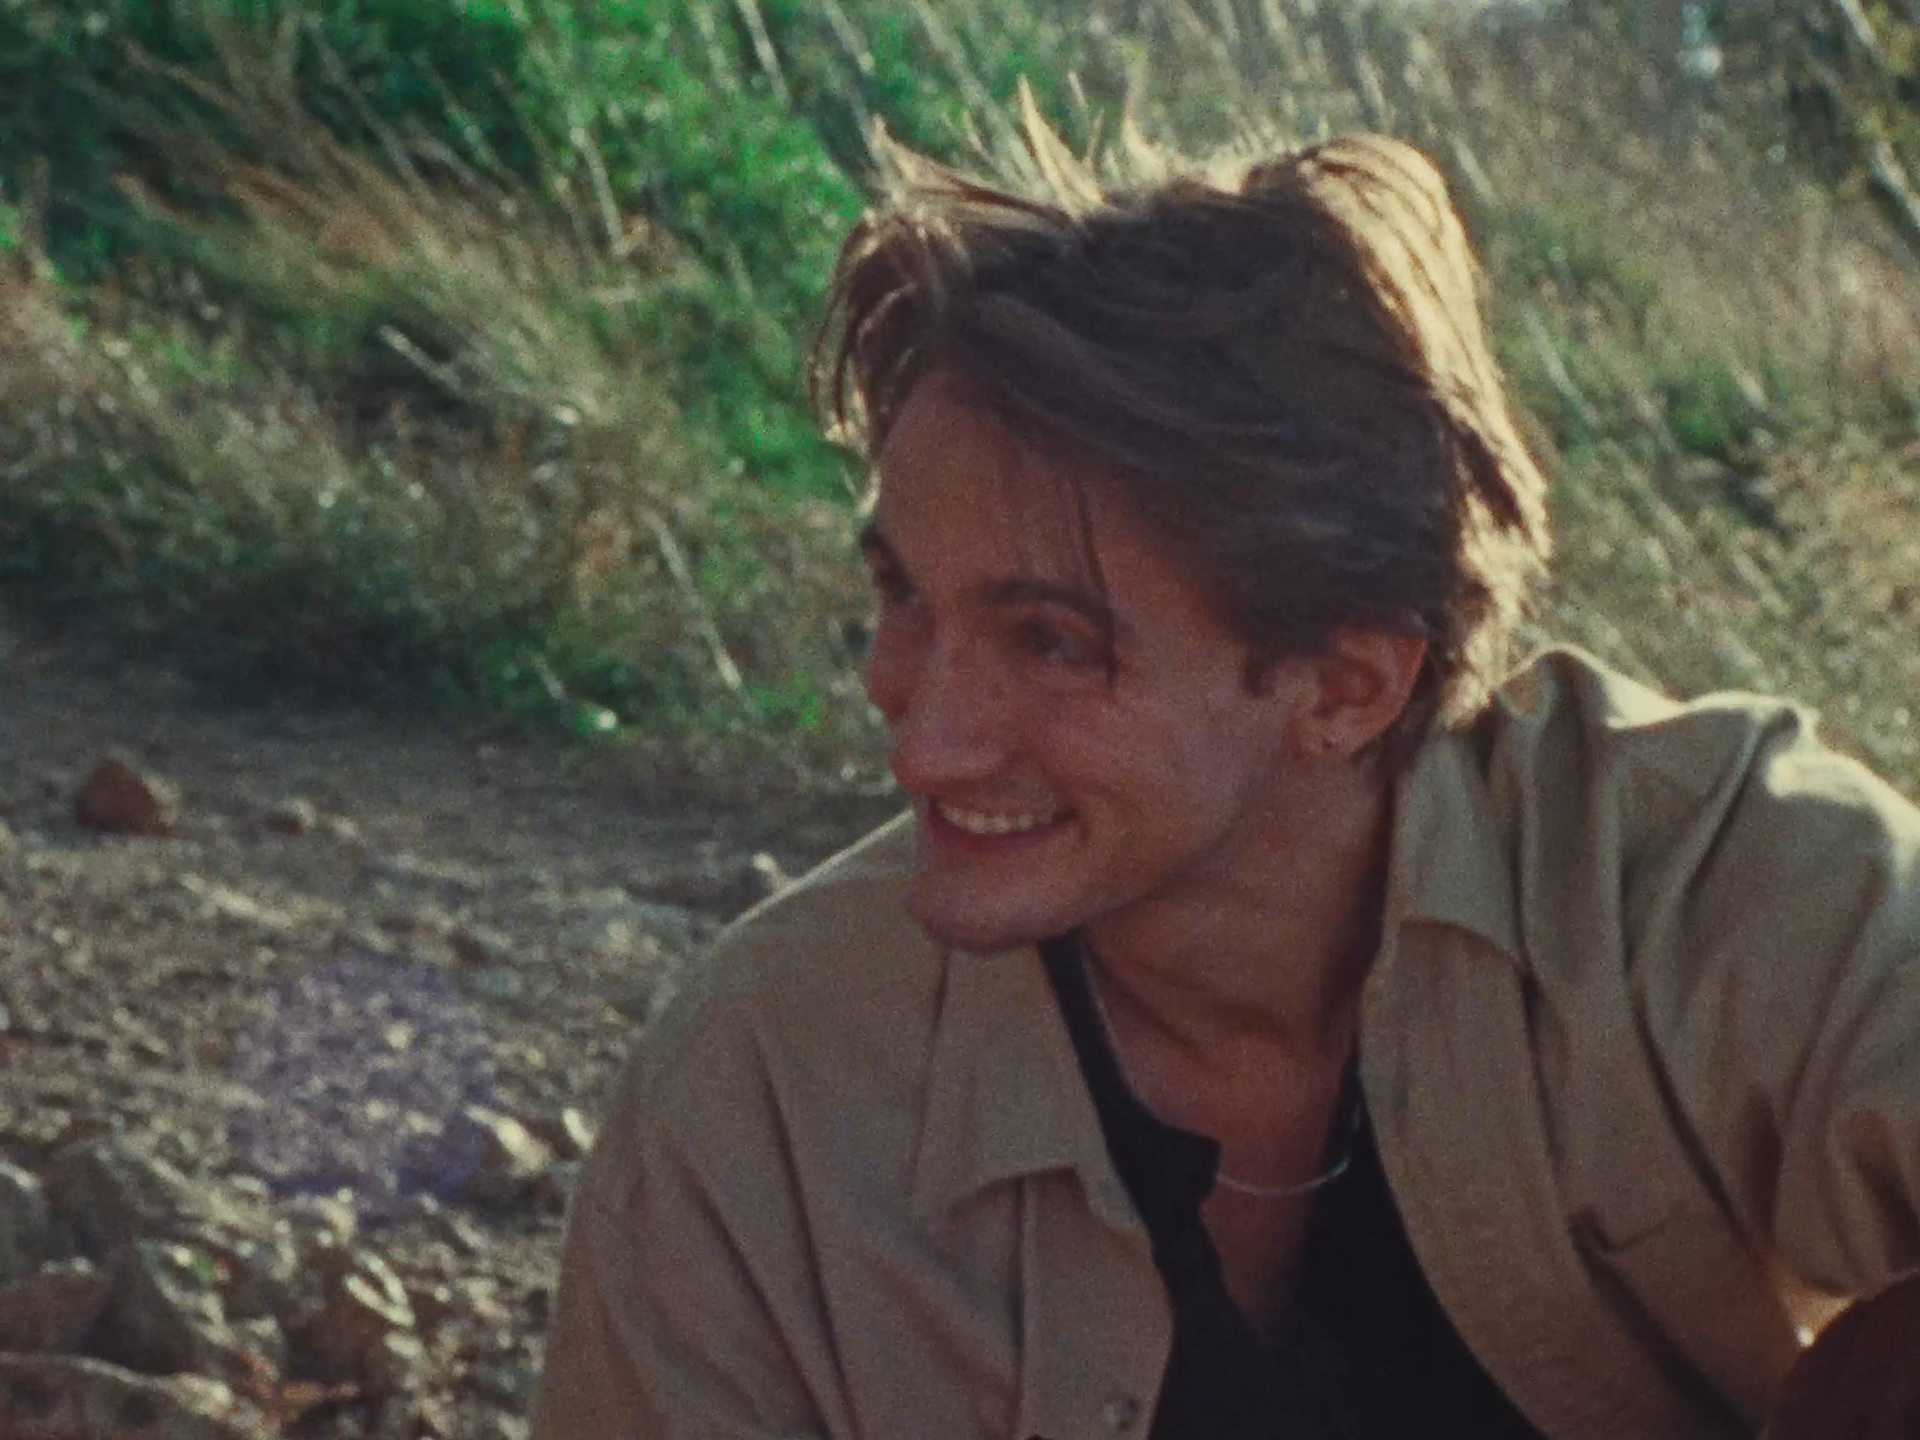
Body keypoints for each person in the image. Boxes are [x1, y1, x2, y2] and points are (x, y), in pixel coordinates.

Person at [530, 123, 1920, 1439]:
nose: (924, 743)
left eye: (1052, 642)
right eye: (903, 595)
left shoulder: (1696, 870)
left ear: (1347, 685)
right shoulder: (763, 1088)